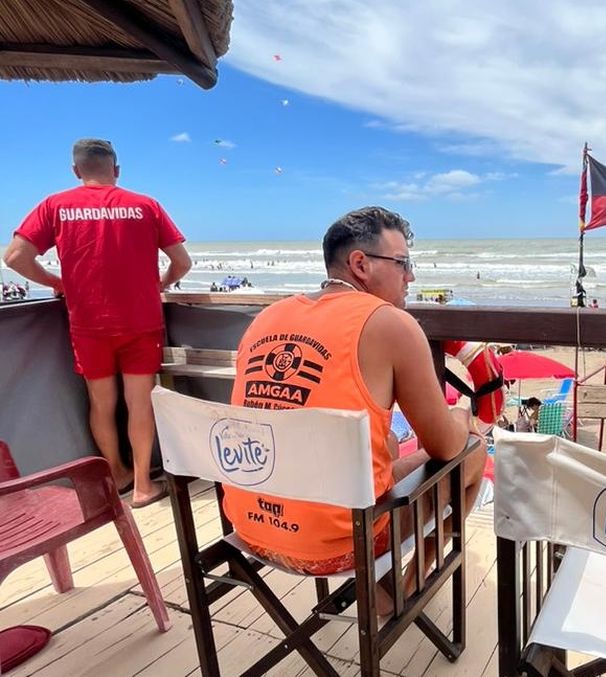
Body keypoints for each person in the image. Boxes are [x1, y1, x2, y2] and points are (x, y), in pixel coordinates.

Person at [221, 206, 487, 600]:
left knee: (389, 445)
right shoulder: (389, 323)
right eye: (403, 263)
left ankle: (388, 589)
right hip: (340, 543)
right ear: (360, 264)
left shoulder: (266, 317)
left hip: (250, 526)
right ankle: (401, 592)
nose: (410, 276)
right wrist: (462, 415)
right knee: (474, 450)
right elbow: (446, 446)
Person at [4, 139, 191, 508]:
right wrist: (162, 283)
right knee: (139, 404)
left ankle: (117, 474)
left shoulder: (55, 205)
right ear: (116, 170)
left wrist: (58, 284)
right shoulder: (145, 205)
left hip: (88, 323)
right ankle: (142, 486)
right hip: (140, 321)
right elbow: (182, 261)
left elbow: (14, 257)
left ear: (76, 171)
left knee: (100, 404)